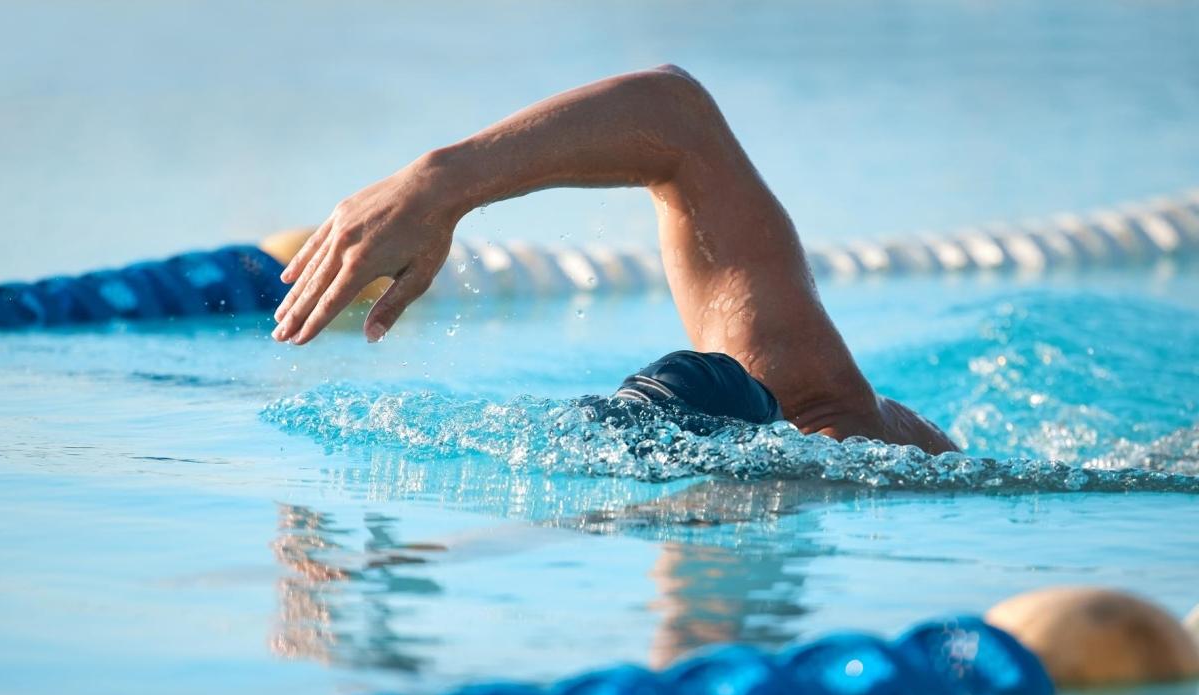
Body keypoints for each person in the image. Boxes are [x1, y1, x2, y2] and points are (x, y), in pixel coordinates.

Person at [267, 66, 959, 455]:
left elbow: (679, 111)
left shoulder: (830, 412)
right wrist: (441, 181)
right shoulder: (786, 368)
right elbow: (679, 118)